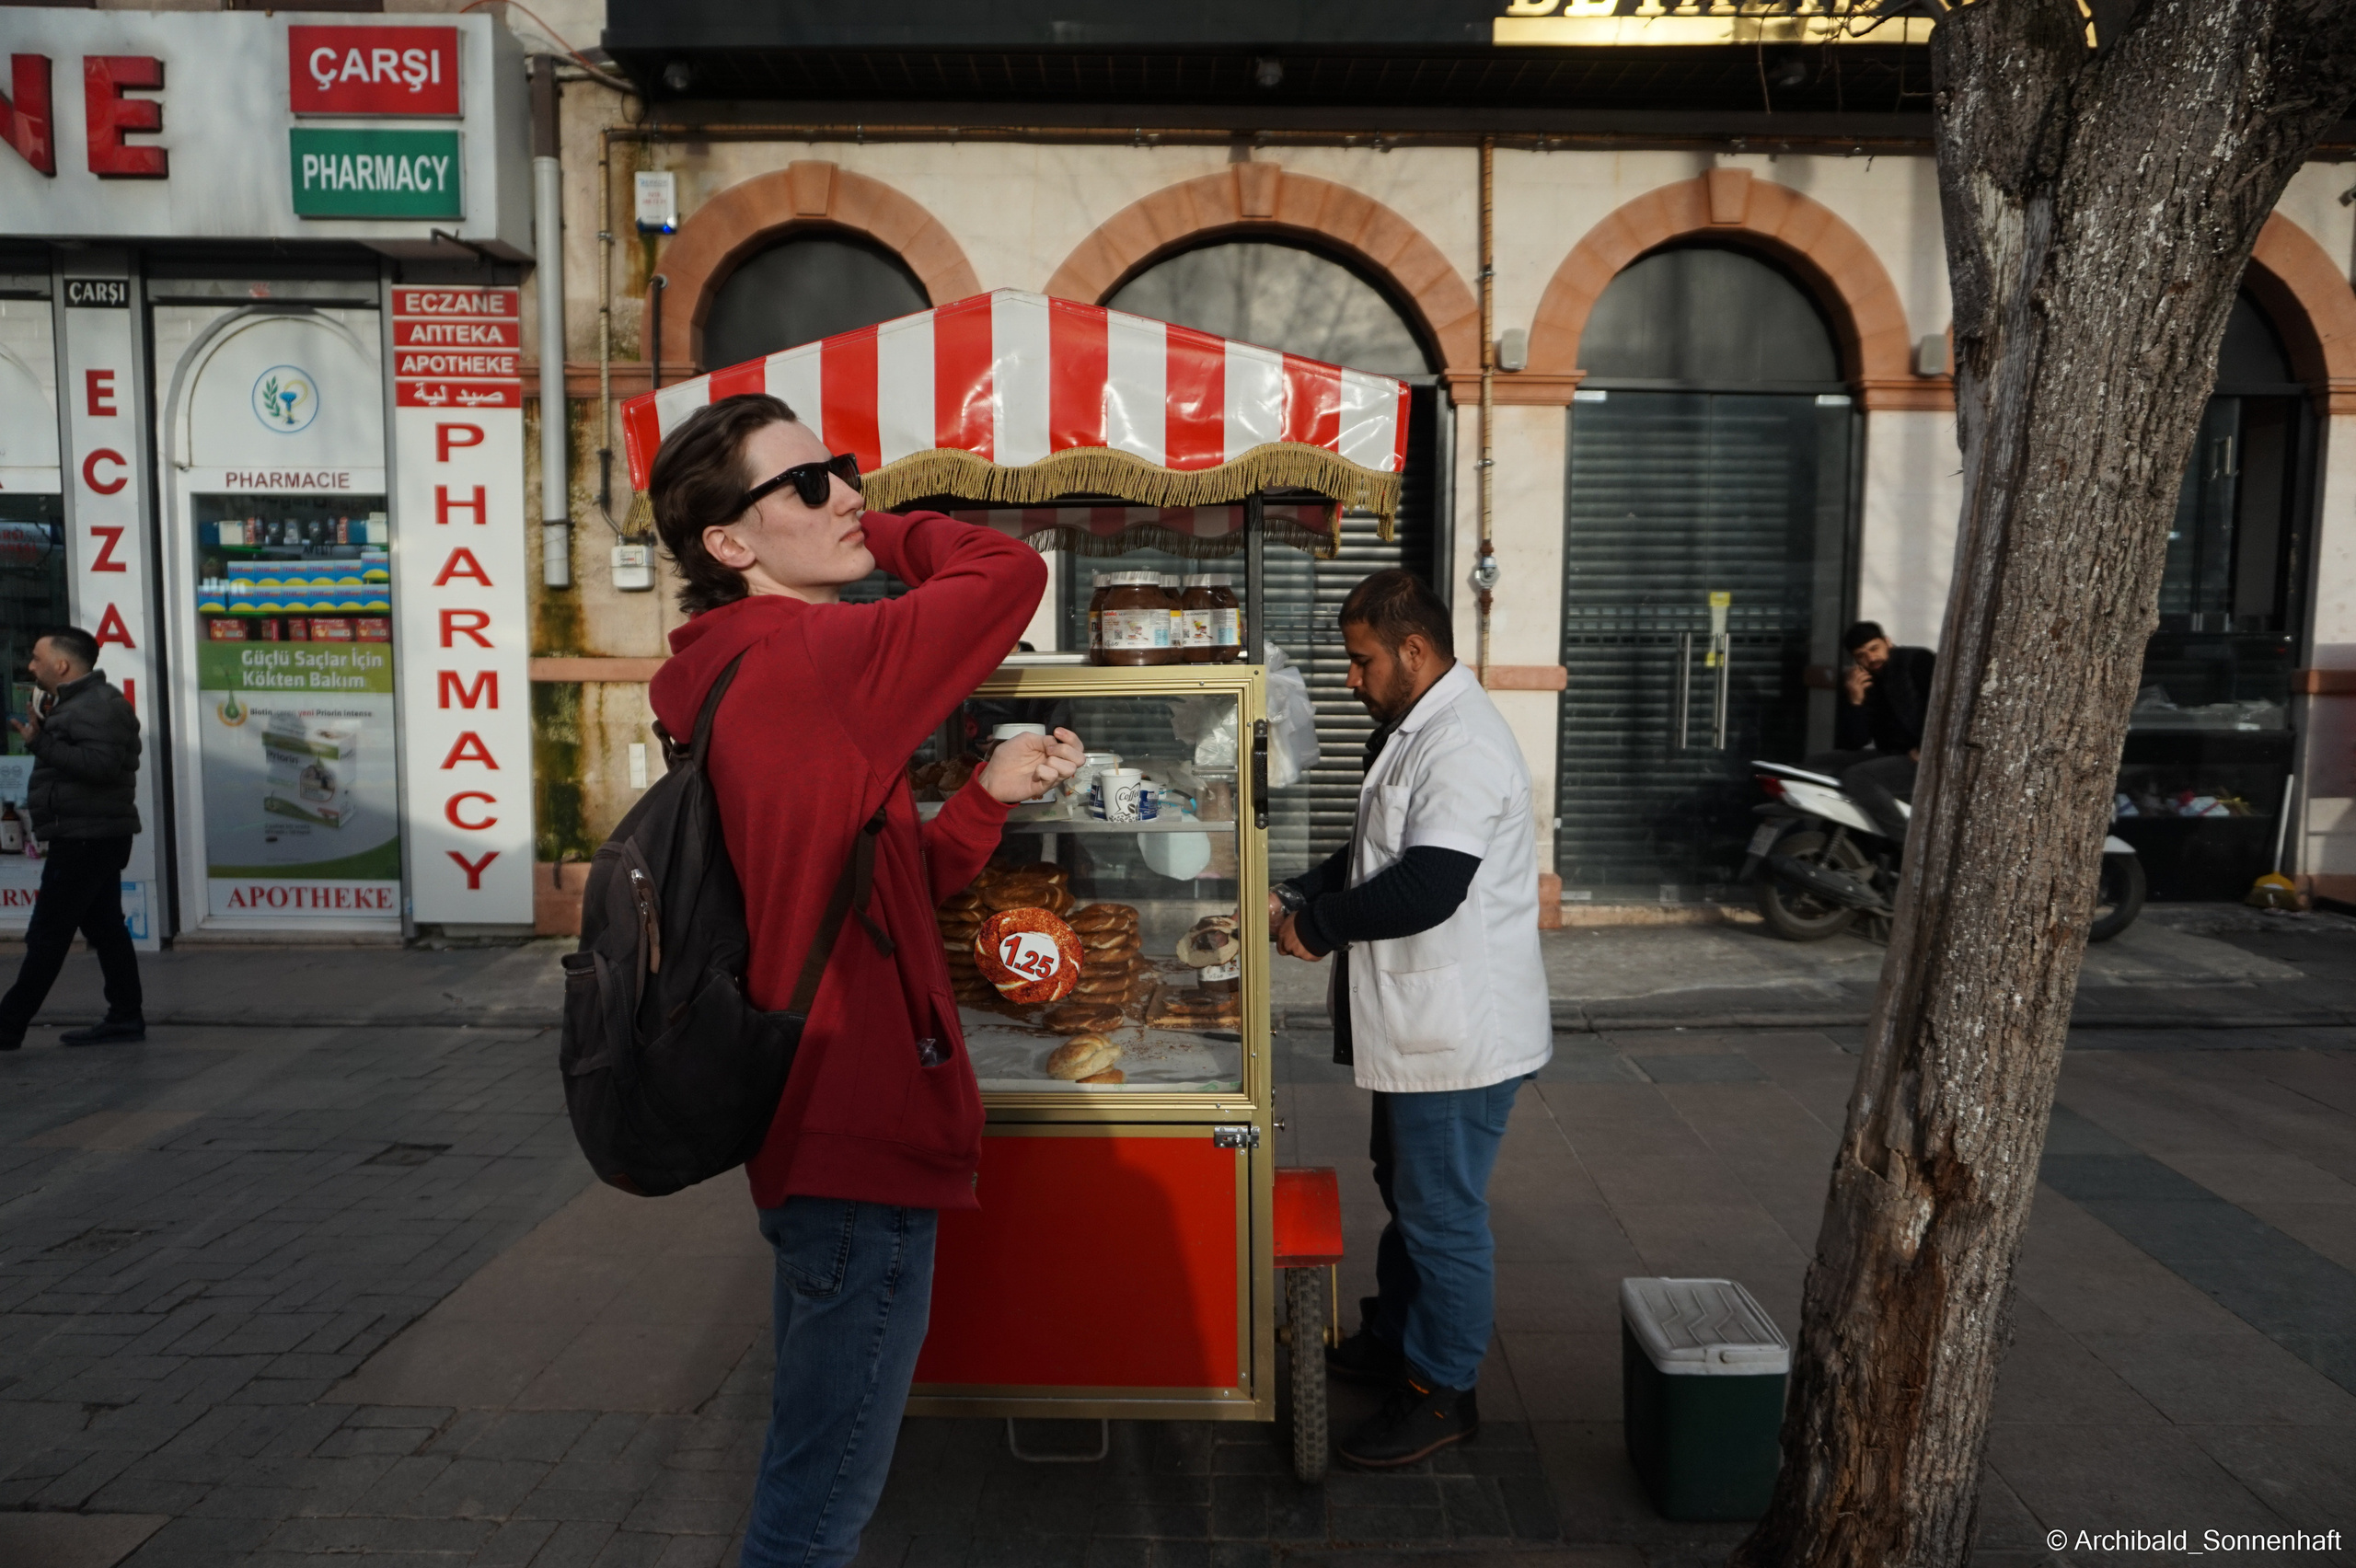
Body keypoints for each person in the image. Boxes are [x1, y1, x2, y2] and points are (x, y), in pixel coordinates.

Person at [643, 394, 1080, 1567]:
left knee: (814, 1473)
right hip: (859, 1127)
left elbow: (877, 891)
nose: (846, 492)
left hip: (813, 1125)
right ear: (728, 545)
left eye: (841, 470)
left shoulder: (737, 673)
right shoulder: (805, 657)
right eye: (807, 484)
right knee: (815, 1511)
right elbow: (1003, 571)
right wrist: (888, 531)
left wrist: (987, 799)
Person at [1268, 569, 1550, 1468]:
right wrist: (1302, 887)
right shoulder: (1415, 730)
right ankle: (1396, 1341)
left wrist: (1316, 925)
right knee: (1409, 1192)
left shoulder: (1461, 742)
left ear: (1413, 651)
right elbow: (1376, 848)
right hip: (1418, 1027)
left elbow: (1430, 882)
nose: (1351, 680)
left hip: (1459, 1033)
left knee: (1440, 1213)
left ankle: (1442, 1389)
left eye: (1360, 662)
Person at [0, 627, 144, 1051]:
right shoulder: (80, 703)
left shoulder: (99, 706)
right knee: (105, 928)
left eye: (36, 658)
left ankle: (9, 1024)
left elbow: (100, 766)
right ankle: (125, 1015)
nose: (30, 666)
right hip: (91, 834)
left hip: (87, 837)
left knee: (48, 932)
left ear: (62, 665)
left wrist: (39, 743)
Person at [1804, 620, 1937, 842]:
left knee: (1858, 777)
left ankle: (1910, 845)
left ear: (1887, 642)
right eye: (1861, 655)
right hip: (1893, 755)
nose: (1871, 658)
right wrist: (1855, 701)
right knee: (1816, 764)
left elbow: (1943, 706)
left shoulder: (1917, 660)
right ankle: (1835, 843)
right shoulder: (1862, 680)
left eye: (1874, 649)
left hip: (1927, 759)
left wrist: (1926, 746)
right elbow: (1854, 742)